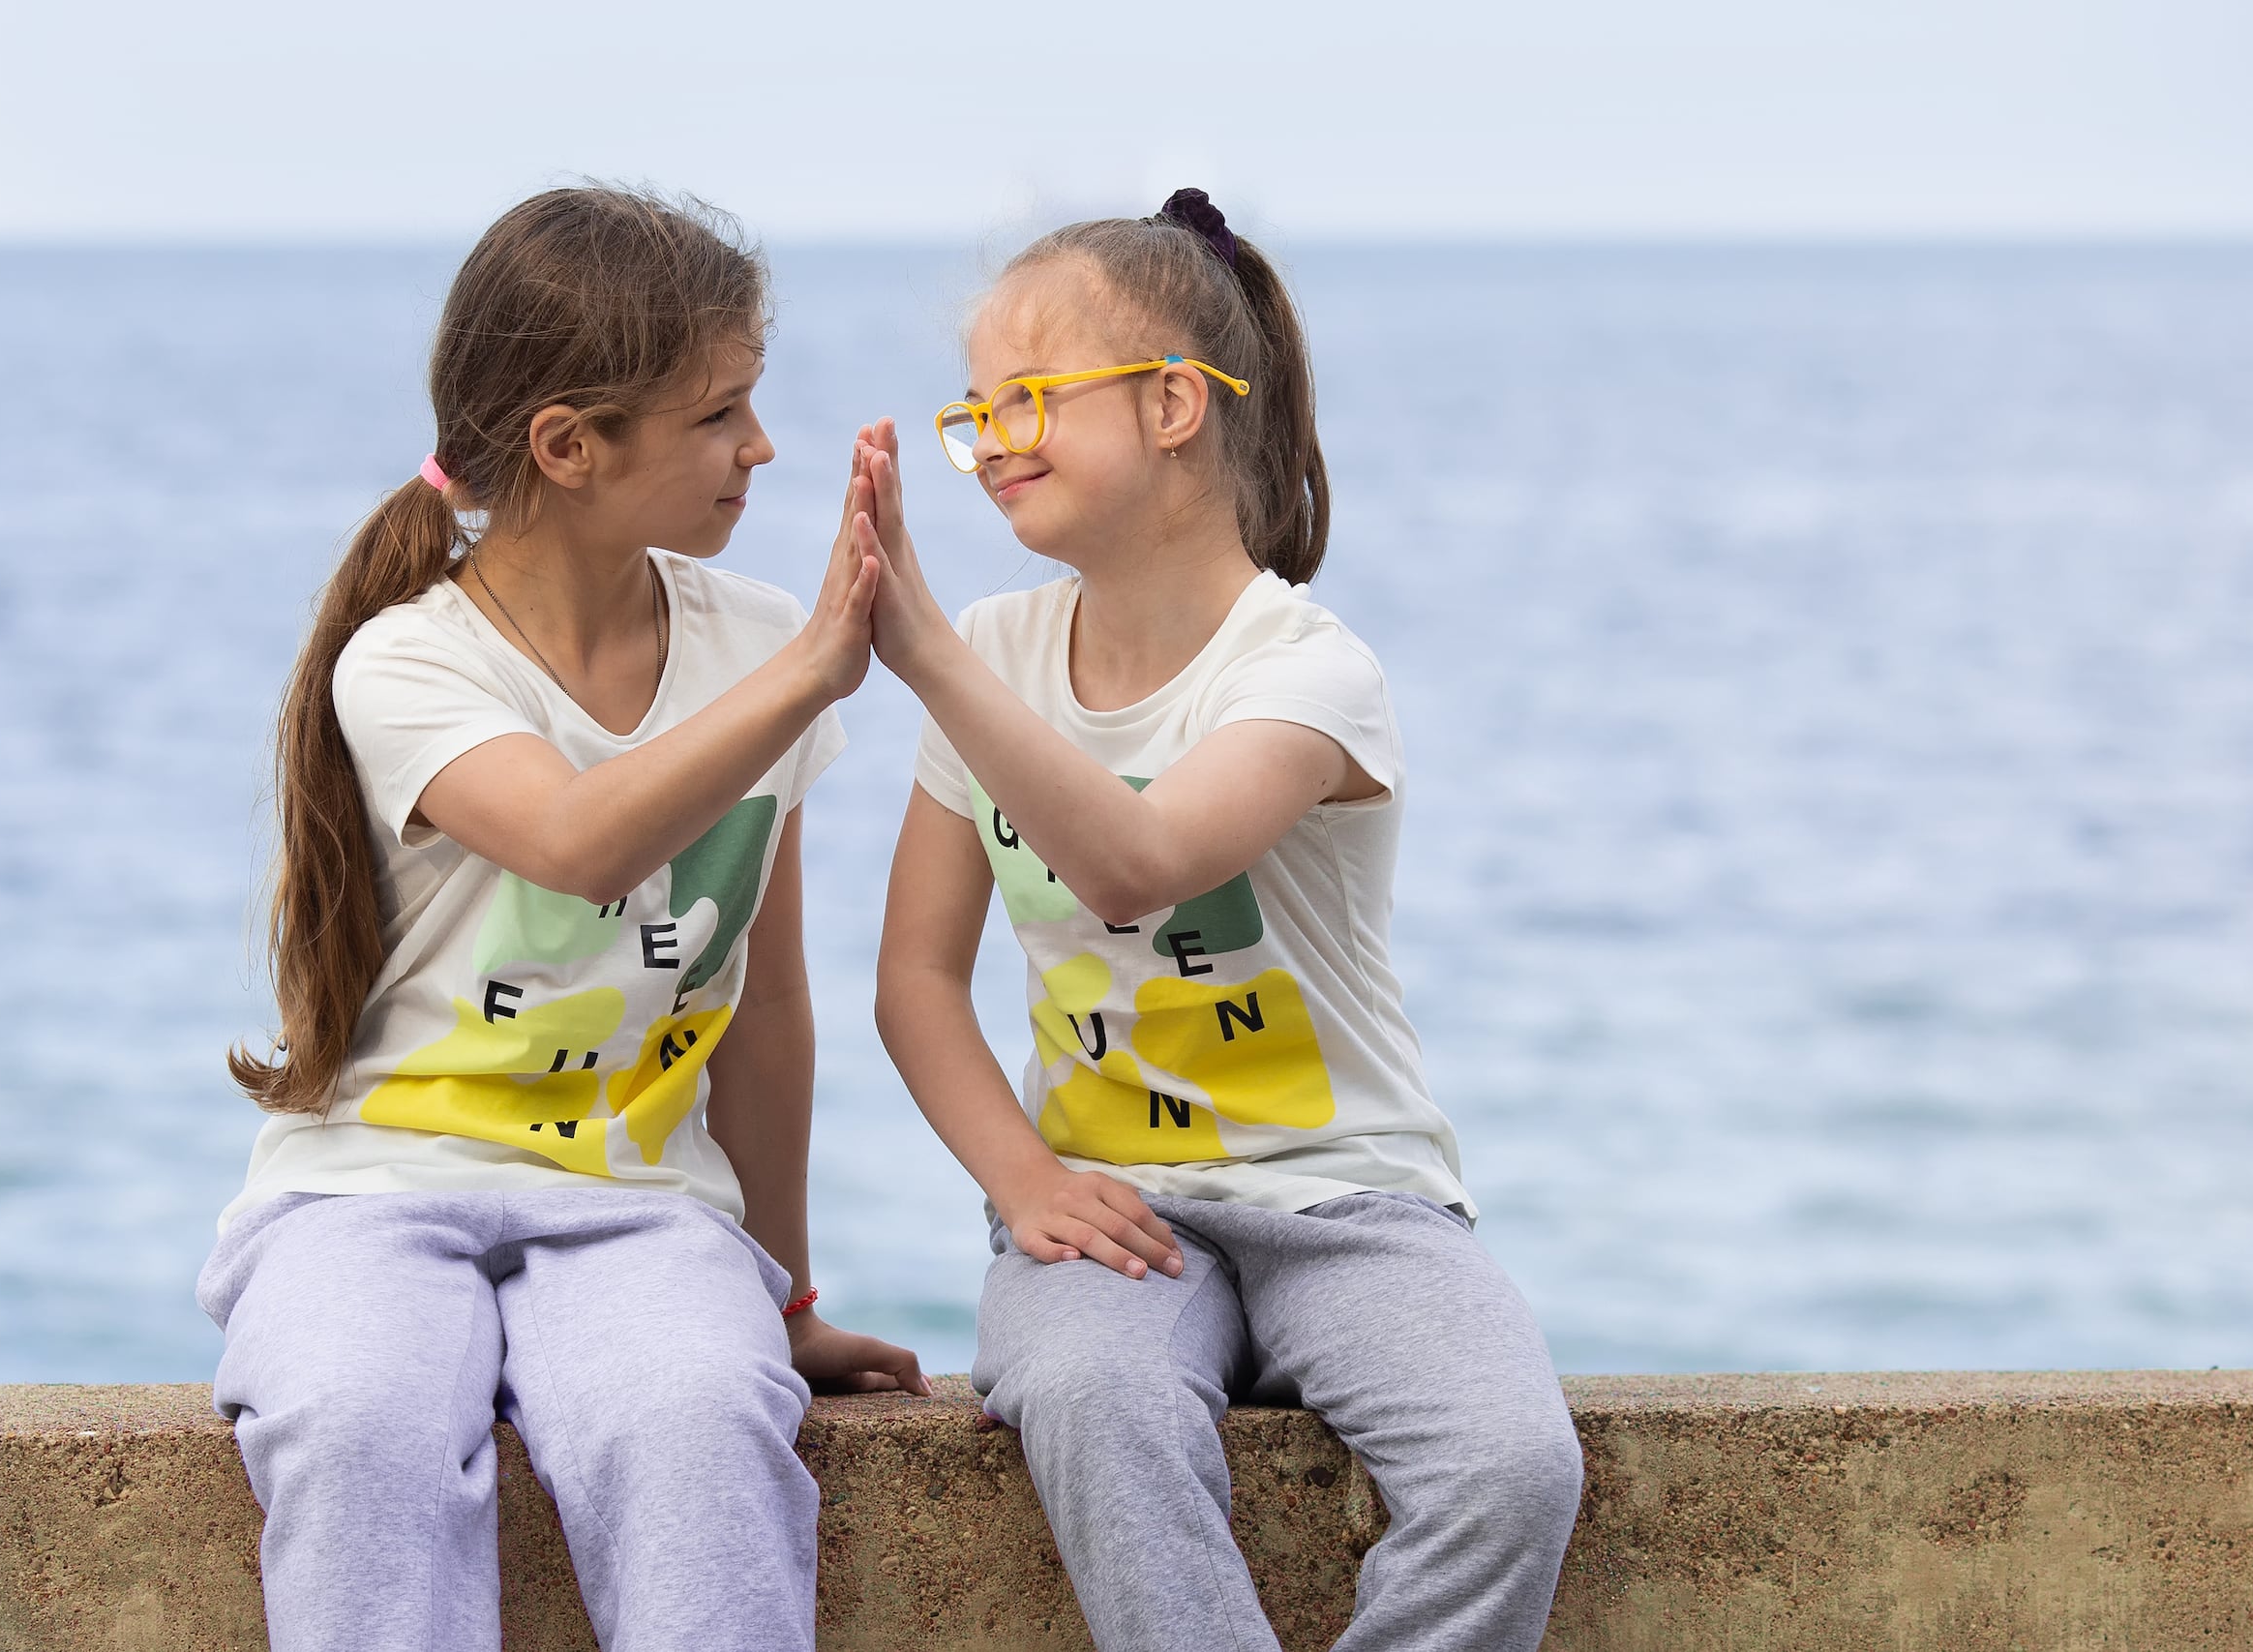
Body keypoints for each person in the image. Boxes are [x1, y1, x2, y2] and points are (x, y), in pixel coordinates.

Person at [860, 189, 1585, 1652]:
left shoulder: (1309, 672)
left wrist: (925, 659)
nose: (991, 440)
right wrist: (1022, 1182)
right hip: (1110, 1214)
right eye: (975, 409)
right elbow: (916, 983)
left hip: (1351, 1199)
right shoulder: (1000, 657)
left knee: (1514, 1467)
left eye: (1032, 399)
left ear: (1178, 404)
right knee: (1089, 1398)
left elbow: (1141, 865)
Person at [204, 186, 923, 1652]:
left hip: (639, 1210)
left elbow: (767, 1011)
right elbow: (579, 844)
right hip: (368, 1189)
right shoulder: (408, 665)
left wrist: (782, 1295)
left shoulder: (751, 640)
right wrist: (809, 673)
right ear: (568, 448)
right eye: (720, 413)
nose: (761, 447)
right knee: (356, 1426)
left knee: (703, 1424)